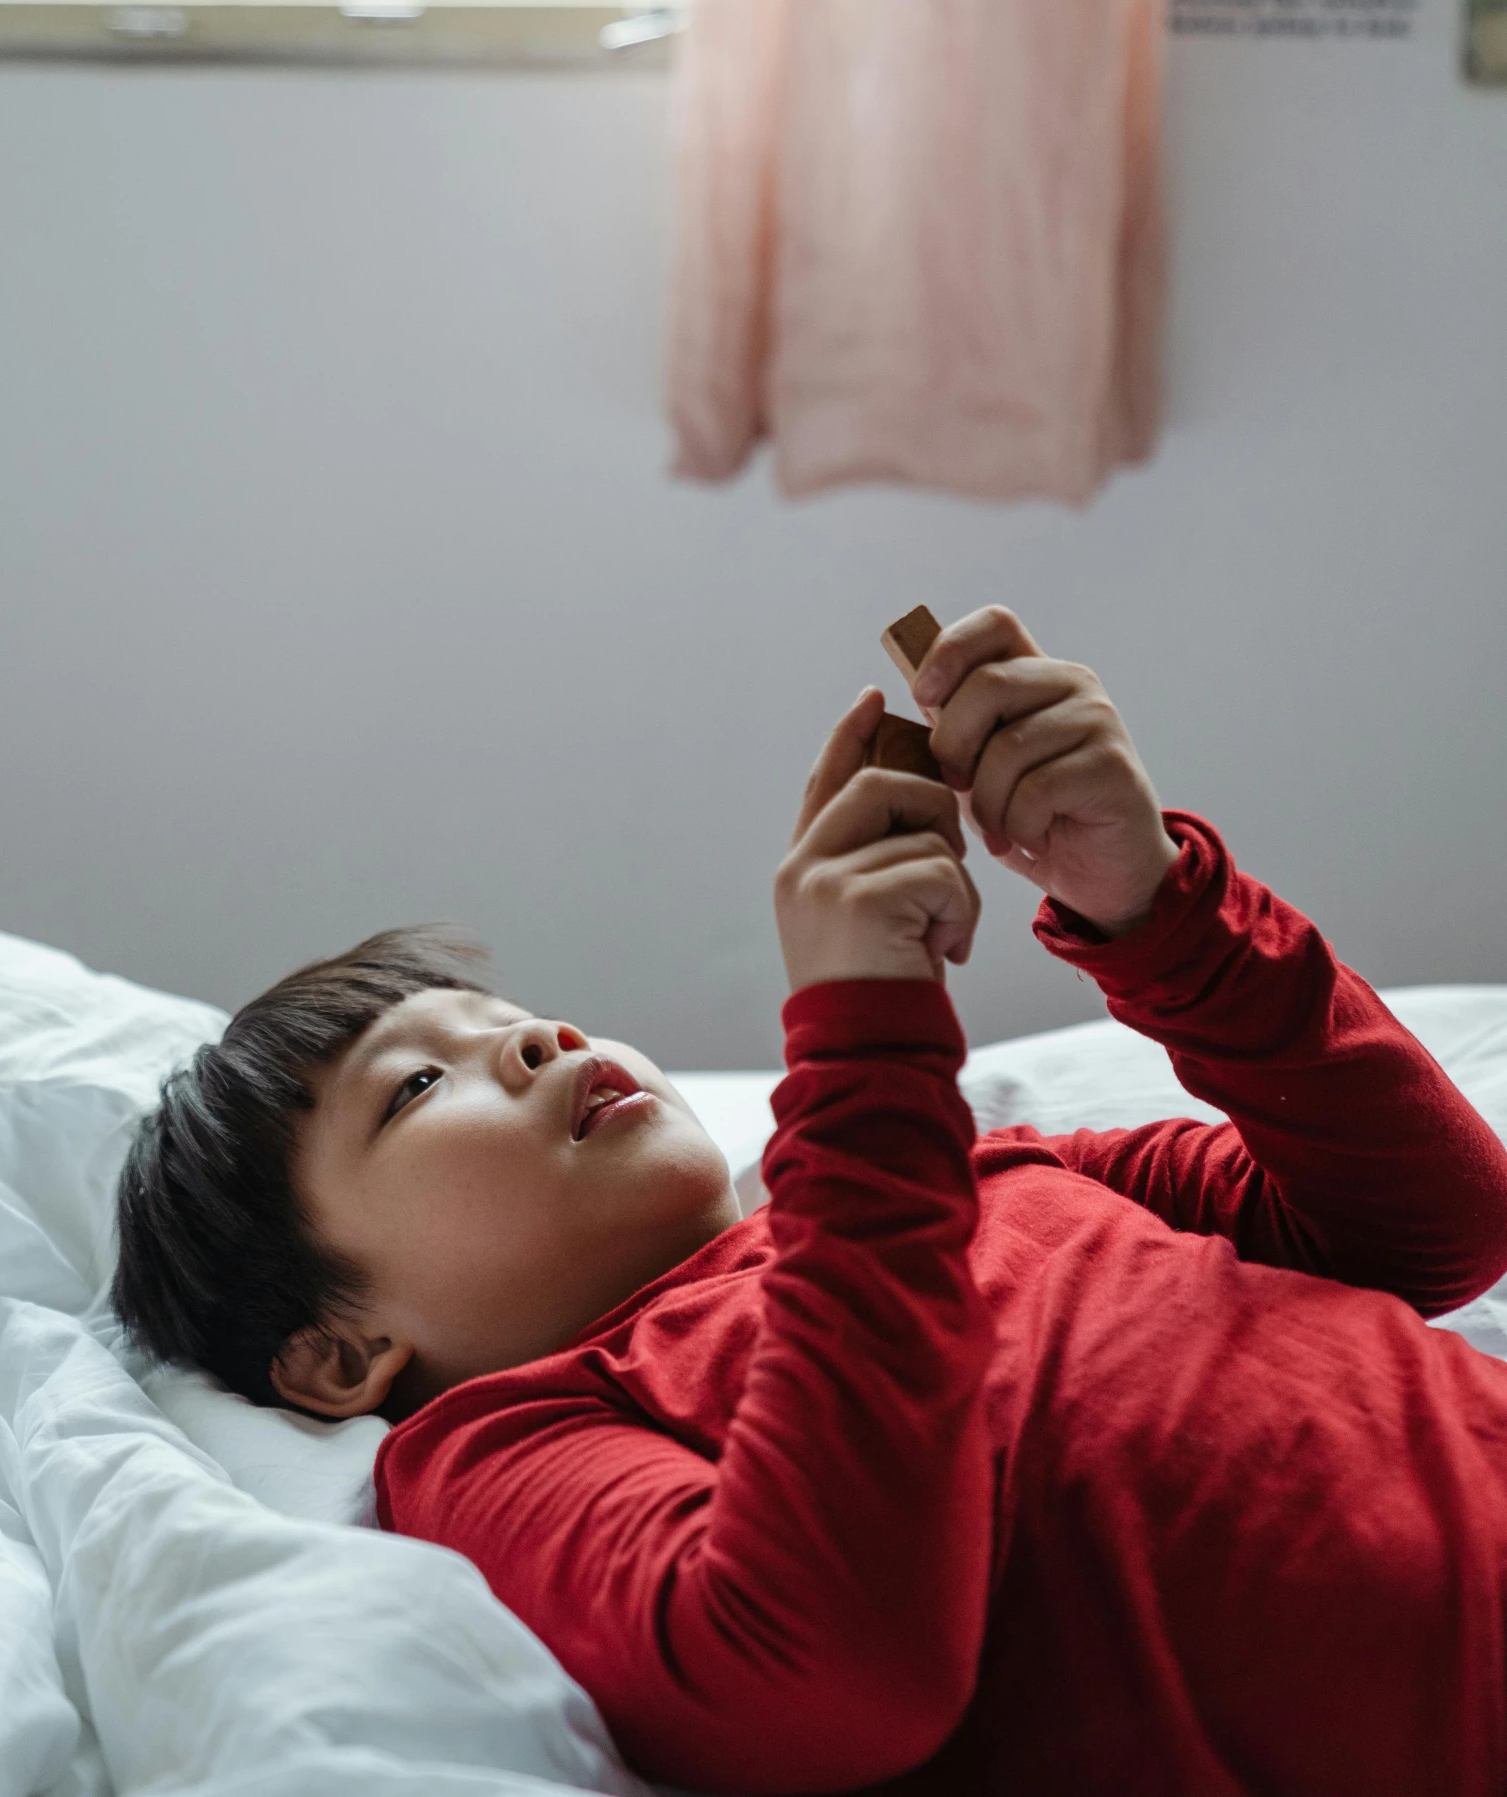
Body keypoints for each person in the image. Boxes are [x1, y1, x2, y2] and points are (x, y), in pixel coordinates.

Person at [112, 606, 1507, 1797]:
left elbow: (1433, 1224)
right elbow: (833, 1668)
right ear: (338, 1351)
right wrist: (862, 1055)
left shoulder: (969, 1172)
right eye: (416, 1087)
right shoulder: (509, 1442)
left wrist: (1149, 905)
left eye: (524, 1014)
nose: (542, 1041)